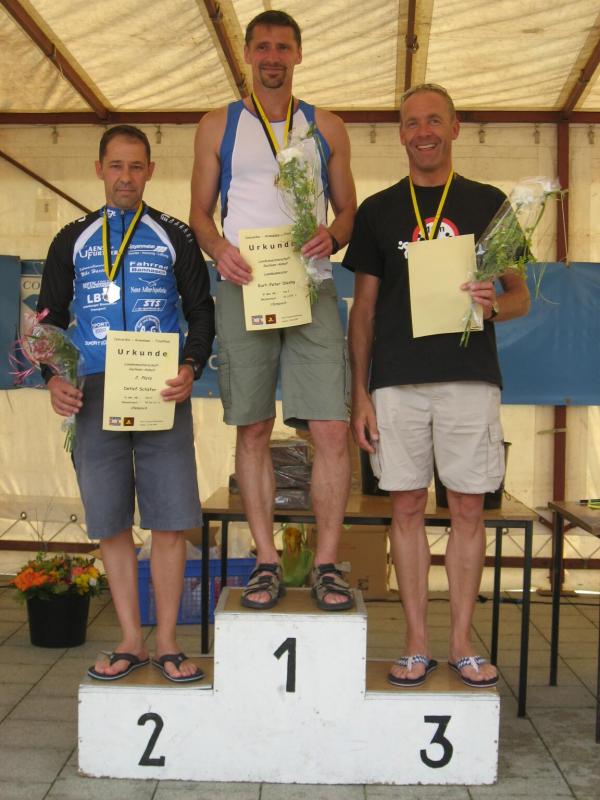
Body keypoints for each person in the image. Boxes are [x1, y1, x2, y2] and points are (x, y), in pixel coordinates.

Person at [345, 84, 530, 688]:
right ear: (399, 133)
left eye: (433, 121)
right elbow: (363, 311)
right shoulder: (377, 210)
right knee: (404, 506)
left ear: (454, 128)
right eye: (410, 123)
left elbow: (520, 296)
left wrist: (493, 304)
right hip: (396, 382)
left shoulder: (488, 202)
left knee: (468, 508)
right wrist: (359, 393)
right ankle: (417, 644)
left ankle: (462, 644)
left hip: (469, 378)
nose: (422, 132)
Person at [189, 10, 357, 610]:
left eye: (283, 47)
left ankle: (327, 565)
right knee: (254, 425)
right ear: (247, 54)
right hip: (246, 282)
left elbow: (348, 211)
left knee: (331, 428)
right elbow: (199, 213)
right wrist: (219, 250)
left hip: (311, 283)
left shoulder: (327, 126)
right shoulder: (218, 125)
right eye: (262, 47)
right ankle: (266, 561)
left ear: (299, 55)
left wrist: (333, 236)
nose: (272, 57)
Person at [38, 125, 215, 682]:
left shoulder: (174, 234)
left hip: (161, 389)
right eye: (116, 165)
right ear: (99, 169)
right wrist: (53, 377)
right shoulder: (71, 239)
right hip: (93, 390)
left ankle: (167, 643)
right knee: (111, 521)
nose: (126, 177)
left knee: (170, 520)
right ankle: (131, 640)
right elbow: (48, 318)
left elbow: (202, 310)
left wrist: (190, 367)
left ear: (151, 171)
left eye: (136, 166)